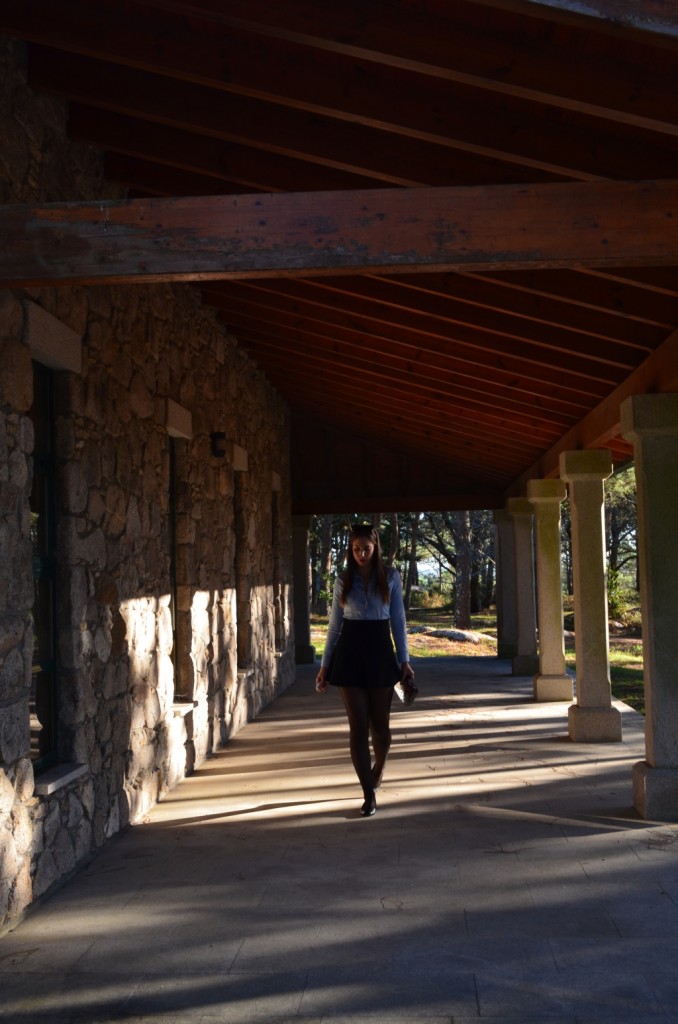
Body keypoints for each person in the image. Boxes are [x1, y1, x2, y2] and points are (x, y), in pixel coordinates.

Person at [315, 523, 415, 817]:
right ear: (351, 549)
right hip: (349, 654)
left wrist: (404, 660)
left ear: (375, 548)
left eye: (366, 549)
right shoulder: (343, 579)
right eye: (356, 549)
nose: (361, 554)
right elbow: (334, 626)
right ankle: (368, 794)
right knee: (358, 727)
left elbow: (398, 621)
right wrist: (324, 666)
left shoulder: (391, 577)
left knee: (380, 727)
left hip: (381, 652)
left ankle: (379, 767)